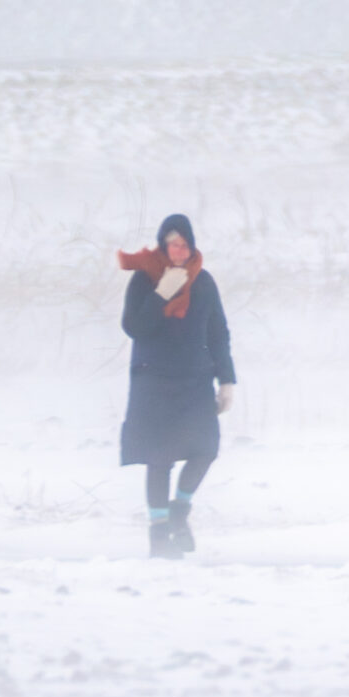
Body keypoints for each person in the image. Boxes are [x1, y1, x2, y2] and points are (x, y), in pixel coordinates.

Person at [118, 213, 236, 558]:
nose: (179, 251)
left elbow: (218, 334)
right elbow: (134, 328)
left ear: (192, 246)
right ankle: (158, 536)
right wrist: (161, 294)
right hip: (154, 381)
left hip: (195, 380)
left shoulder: (203, 281)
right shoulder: (144, 278)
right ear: (163, 246)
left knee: (206, 449)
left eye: (184, 245)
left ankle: (179, 512)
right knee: (160, 458)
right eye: (172, 245)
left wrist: (226, 380)